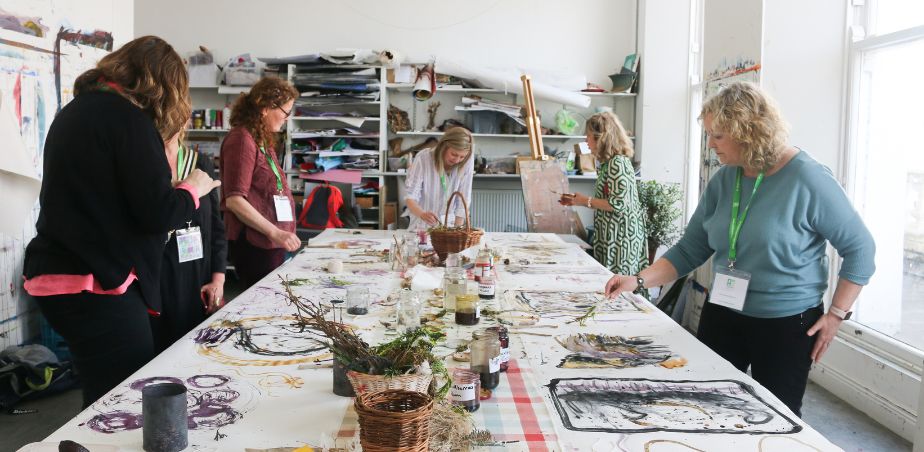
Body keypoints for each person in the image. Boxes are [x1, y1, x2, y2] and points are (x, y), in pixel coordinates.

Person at [603, 82, 876, 417]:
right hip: (725, 310)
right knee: (706, 403)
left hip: (786, 322)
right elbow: (691, 248)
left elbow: (861, 250)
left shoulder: (808, 179)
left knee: (776, 417)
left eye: (718, 135)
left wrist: (835, 316)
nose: (710, 144)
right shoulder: (725, 178)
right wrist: (638, 280)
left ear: (748, 130)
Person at [22, 36, 220, 407]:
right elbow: (157, 213)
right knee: (121, 399)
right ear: (162, 84)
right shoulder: (128, 120)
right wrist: (193, 189)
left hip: (59, 275)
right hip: (95, 285)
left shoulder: (77, 111)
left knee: (102, 396)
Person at [221, 77, 301, 288]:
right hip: (256, 243)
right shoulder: (241, 140)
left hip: (273, 241)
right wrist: (275, 232)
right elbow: (235, 201)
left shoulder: (260, 138)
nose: (286, 119)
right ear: (265, 108)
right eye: (285, 112)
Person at [153, 139, 228, 352]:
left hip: (197, 280)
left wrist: (218, 279)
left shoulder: (200, 164)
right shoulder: (146, 164)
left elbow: (216, 227)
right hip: (158, 282)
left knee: (195, 351)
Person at [559, 112, 648, 278]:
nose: (586, 141)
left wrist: (585, 201)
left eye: (588, 136)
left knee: (617, 288)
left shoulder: (617, 163)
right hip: (613, 234)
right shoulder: (609, 163)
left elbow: (617, 203)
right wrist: (578, 200)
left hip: (621, 238)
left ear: (602, 137)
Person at [404, 127, 475, 231]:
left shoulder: (468, 159)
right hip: (422, 228)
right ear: (444, 146)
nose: (457, 160)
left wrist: (457, 230)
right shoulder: (423, 158)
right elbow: (410, 196)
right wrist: (422, 214)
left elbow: (463, 199)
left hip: (449, 228)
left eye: (462, 157)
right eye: (454, 154)